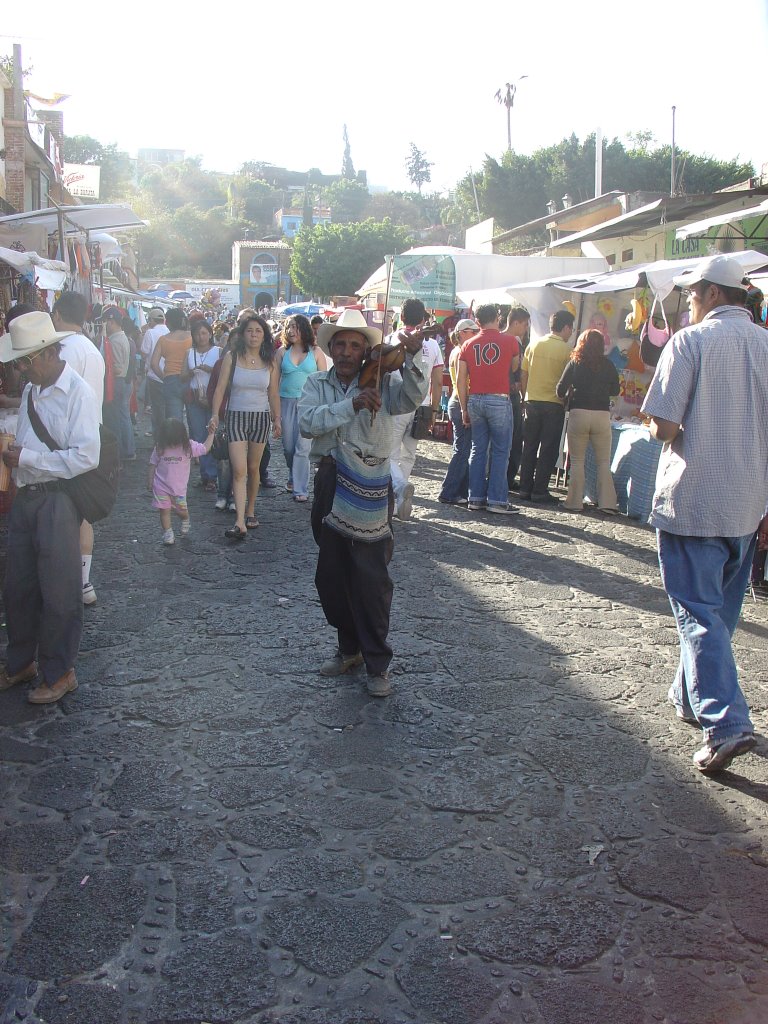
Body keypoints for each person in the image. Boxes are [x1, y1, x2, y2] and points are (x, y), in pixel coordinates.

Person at [641, 254, 768, 773]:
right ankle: (691, 698)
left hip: (695, 501)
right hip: (746, 504)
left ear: (714, 294)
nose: (688, 303)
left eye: (692, 295)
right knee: (717, 616)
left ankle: (727, 722)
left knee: (697, 613)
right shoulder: (766, 344)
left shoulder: (689, 343)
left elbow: (665, 426)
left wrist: (653, 424)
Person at [298, 308, 429, 698]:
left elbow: (413, 395)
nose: (347, 351)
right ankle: (349, 649)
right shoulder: (315, 384)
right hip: (330, 480)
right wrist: (350, 405)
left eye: (356, 345)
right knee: (331, 577)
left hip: (371, 483)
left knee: (371, 580)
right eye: (341, 344)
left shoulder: (386, 383)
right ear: (332, 348)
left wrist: (412, 357)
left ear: (367, 351)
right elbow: (307, 423)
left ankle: (377, 663)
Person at [0, 312, 100, 704]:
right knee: (19, 587)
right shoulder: (30, 391)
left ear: (46, 354)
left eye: (24, 361)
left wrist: (25, 458)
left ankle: (60, 671)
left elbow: (85, 457)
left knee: (59, 590)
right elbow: (29, 439)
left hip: (58, 498)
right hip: (27, 497)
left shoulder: (78, 393)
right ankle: (21, 660)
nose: (20, 369)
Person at [51, 291, 106, 606]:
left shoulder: (64, 350)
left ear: (57, 314)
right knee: (83, 512)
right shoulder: (91, 348)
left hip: (69, 439)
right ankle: (84, 582)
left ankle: (69, 581)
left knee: (63, 511)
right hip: (92, 434)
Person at [210, 313, 281, 539]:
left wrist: (277, 419)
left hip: (260, 418)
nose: (254, 335)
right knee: (239, 469)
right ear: (243, 334)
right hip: (236, 416)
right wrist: (214, 415)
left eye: (258, 331)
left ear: (264, 336)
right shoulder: (232, 357)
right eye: (250, 331)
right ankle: (239, 520)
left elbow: (273, 394)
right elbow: (220, 389)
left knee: (253, 468)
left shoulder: (270, 361)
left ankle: (251, 509)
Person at [457, 304, 520, 515]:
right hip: (499, 399)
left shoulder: (468, 345)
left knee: (478, 449)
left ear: (477, 321)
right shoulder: (511, 341)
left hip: (475, 399)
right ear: (498, 317)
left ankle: (475, 497)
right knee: (501, 451)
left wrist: (464, 407)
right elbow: (514, 367)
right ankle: (496, 499)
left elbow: (460, 378)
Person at [387, 299, 444, 520]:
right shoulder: (433, 345)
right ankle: (402, 496)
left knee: (390, 455)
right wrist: (435, 410)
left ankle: (397, 493)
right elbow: (437, 381)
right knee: (409, 454)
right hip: (422, 405)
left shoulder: (391, 339)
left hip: (397, 403)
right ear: (423, 319)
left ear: (401, 317)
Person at [556, 329, 620, 514]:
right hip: (601, 415)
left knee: (577, 461)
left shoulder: (574, 363)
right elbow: (615, 390)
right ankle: (607, 503)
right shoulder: (608, 365)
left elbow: (560, 389)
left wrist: (570, 393)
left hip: (579, 413)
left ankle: (574, 502)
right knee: (603, 461)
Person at [518, 309, 575, 504]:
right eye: (571, 328)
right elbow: (569, 381)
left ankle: (524, 487)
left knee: (529, 446)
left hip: (532, 400)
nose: (571, 332)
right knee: (548, 449)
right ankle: (539, 490)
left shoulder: (534, 345)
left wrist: (525, 395)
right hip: (554, 404)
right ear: (566, 327)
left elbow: (523, 373)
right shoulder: (568, 350)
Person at [276, 314, 327, 502]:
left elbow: (325, 382)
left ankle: (300, 489)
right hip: (286, 403)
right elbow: (273, 384)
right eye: (288, 327)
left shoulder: (316, 352)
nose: (291, 331)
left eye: (295, 327)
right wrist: (275, 414)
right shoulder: (281, 352)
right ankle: (293, 475)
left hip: (309, 405)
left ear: (304, 329)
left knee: (302, 449)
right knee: (288, 448)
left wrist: (322, 409)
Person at [149, 418, 215, 545]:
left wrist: (211, 434)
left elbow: (205, 448)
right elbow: (152, 464)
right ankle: (168, 533)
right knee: (164, 511)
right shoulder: (160, 447)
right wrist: (150, 480)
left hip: (178, 489)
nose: (172, 445)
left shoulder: (188, 447)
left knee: (181, 510)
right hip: (161, 486)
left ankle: (185, 519)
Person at [438, 319, 478, 505]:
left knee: (462, 448)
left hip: (458, 400)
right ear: (462, 333)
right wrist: (465, 408)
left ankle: (460, 491)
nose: (476, 333)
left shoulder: (456, 350)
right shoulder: (462, 351)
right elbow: (463, 383)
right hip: (461, 401)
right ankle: (449, 491)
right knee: (462, 449)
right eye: (473, 330)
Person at [182, 318, 220, 492]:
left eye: (204, 333)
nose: (201, 337)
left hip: (213, 399)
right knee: (198, 435)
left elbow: (223, 375)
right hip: (195, 398)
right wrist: (190, 372)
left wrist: (210, 370)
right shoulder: (189, 353)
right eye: (197, 334)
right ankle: (206, 474)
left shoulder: (218, 352)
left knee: (212, 434)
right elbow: (182, 376)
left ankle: (212, 475)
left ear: (210, 334)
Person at [101, 307, 135, 464]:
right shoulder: (122, 338)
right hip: (121, 382)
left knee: (115, 419)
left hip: (116, 382)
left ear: (111, 321)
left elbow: (116, 368)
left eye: (105, 321)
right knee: (123, 417)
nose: (104, 325)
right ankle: (126, 451)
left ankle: (119, 454)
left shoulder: (115, 340)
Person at [504, 307, 532, 490]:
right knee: (513, 439)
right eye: (525, 325)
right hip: (511, 395)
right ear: (516, 323)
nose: (526, 329)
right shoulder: (514, 343)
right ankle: (507, 477)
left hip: (498, 394)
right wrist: (522, 394)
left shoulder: (498, 338)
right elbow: (518, 371)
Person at [150, 308, 192, 422]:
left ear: (168, 322)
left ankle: (176, 440)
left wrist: (164, 377)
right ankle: (194, 440)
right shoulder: (191, 337)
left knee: (174, 422)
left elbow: (154, 364)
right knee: (193, 418)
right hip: (189, 378)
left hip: (170, 380)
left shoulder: (163, 340)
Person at [140, 307, 169, 438]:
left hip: (154, 375)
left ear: (151, 320)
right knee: (167, 408)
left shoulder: (150, 332)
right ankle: (167, 436)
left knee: (157, 410)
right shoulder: (169, 331)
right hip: (168, 374)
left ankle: (158, 438)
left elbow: (144, 353)